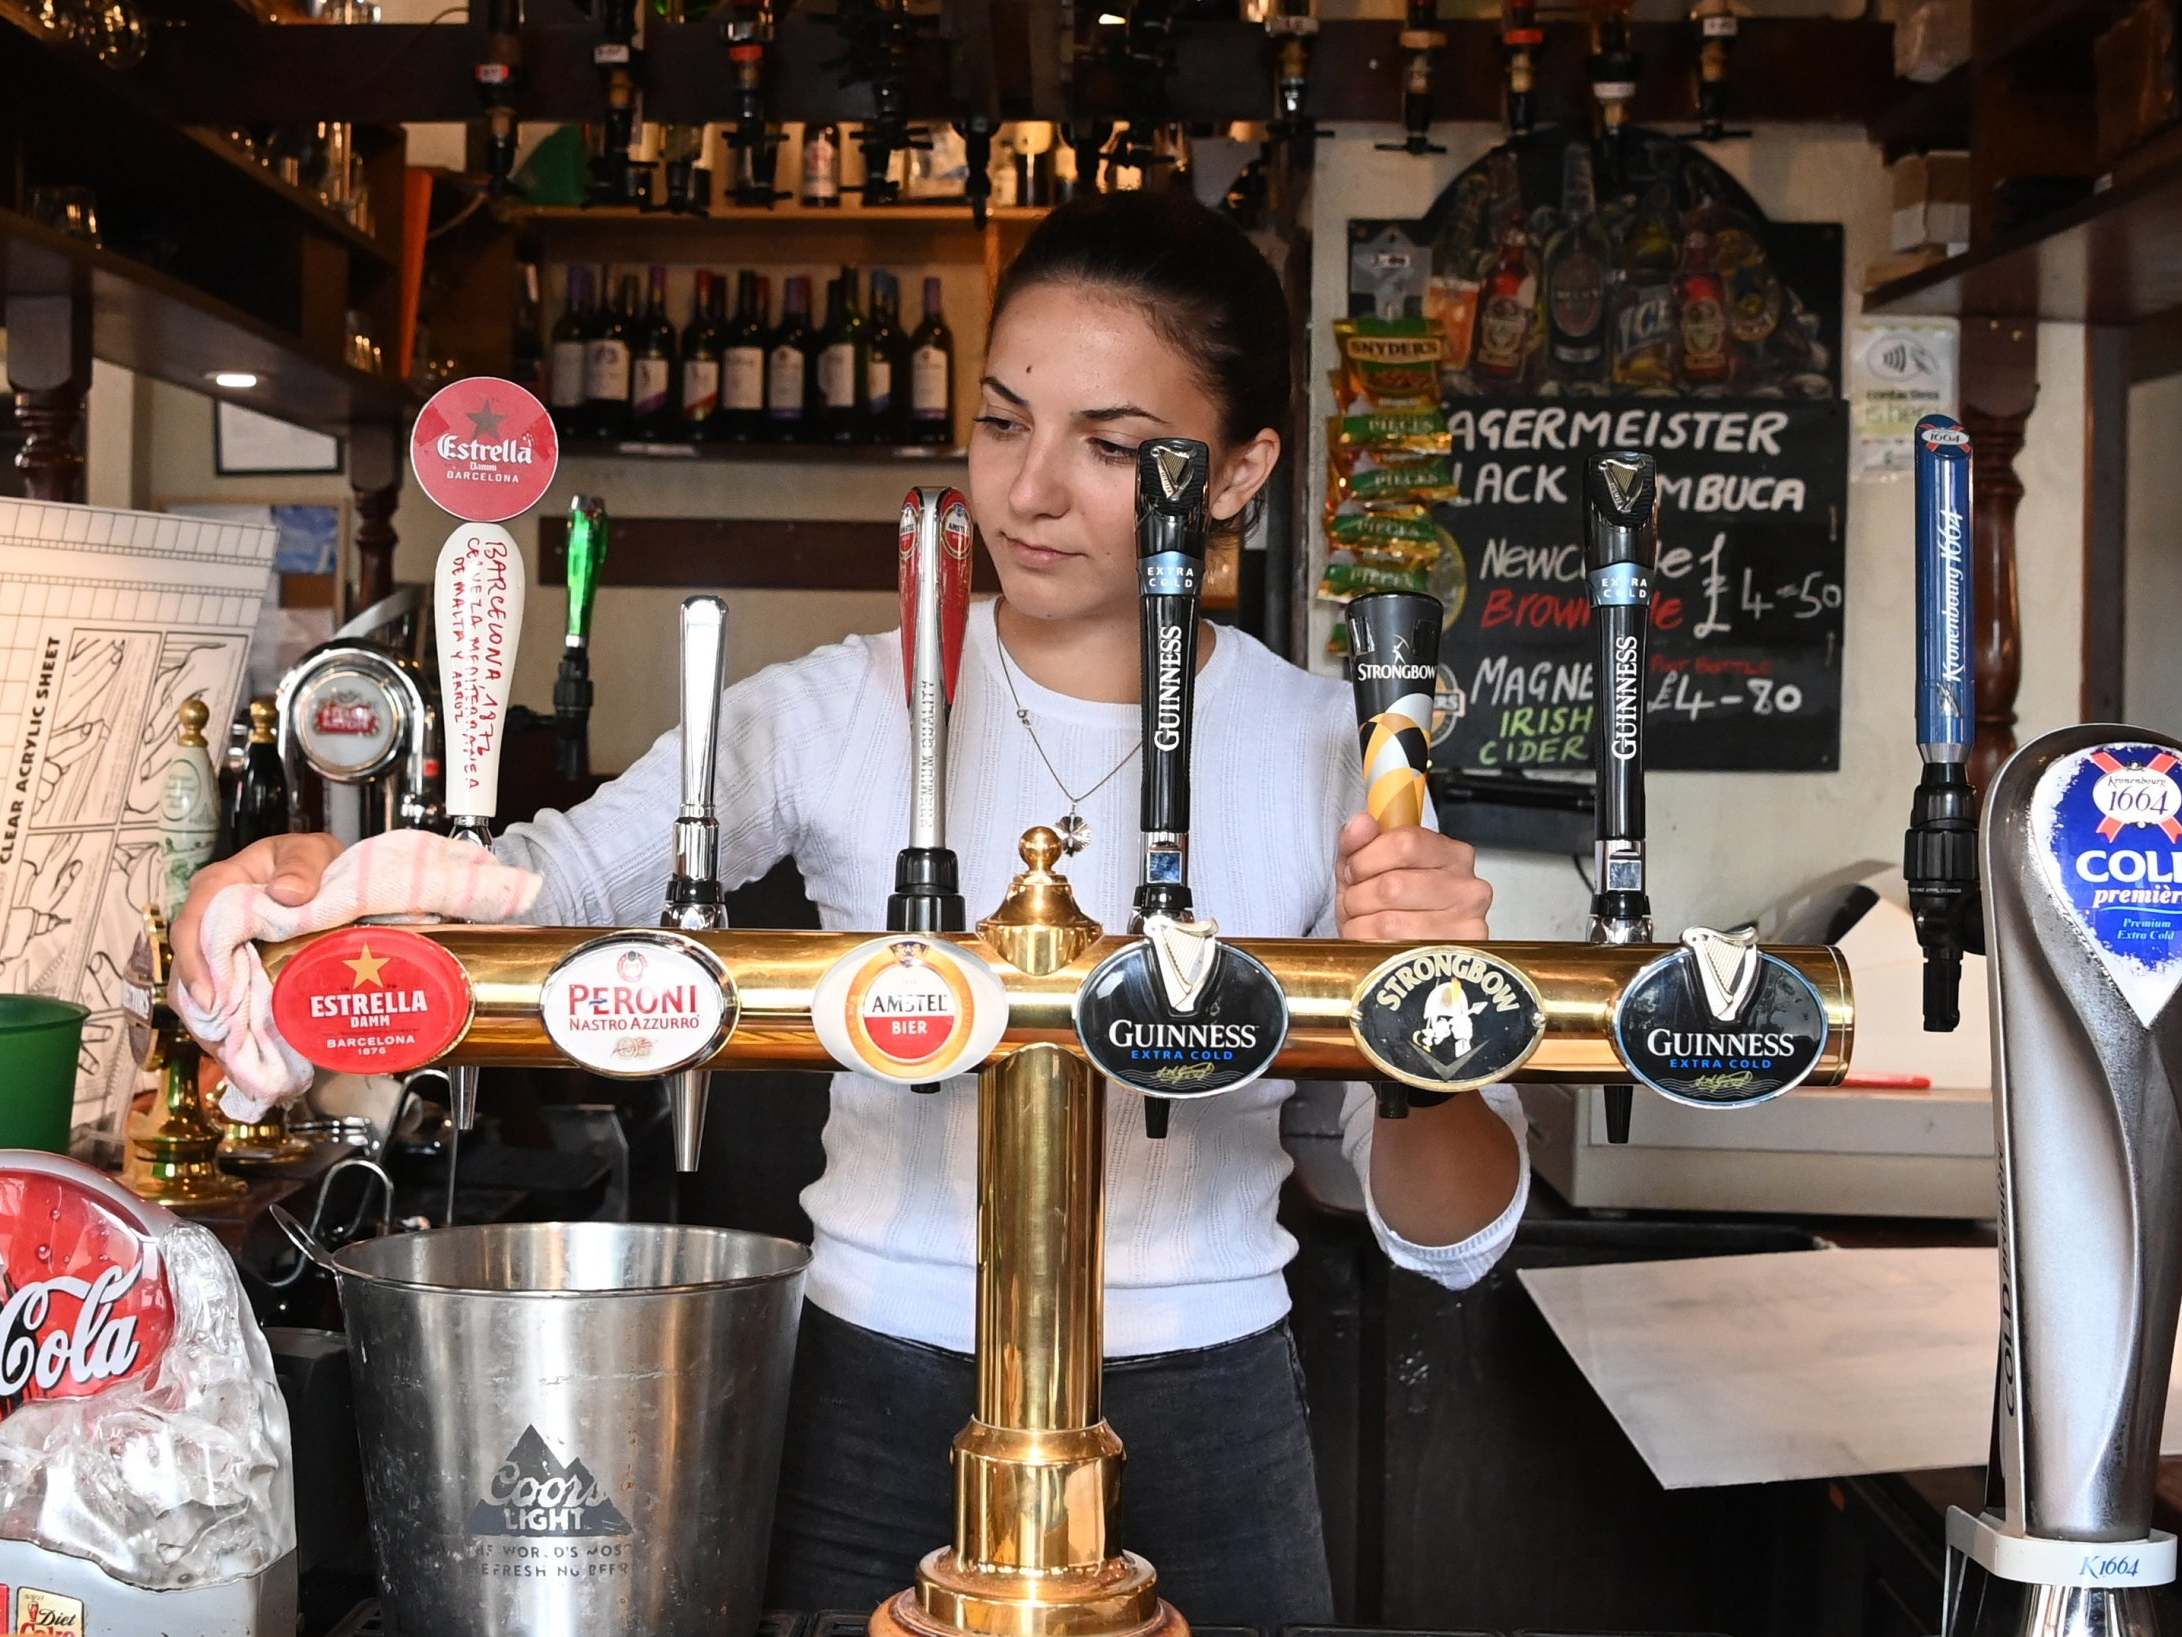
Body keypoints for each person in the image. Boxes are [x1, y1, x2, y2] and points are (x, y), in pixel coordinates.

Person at [171, 189, 1526, 1627]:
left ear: (1244, 471)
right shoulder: (832, 705)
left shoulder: (1341, 750)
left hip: (1206, 1409)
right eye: (1003, 422)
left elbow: (1447, 1231)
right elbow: (547, 889)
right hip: (875, 1390)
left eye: (1115, 445)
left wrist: (1424, 1019)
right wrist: (326, 875)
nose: (1030, 490)